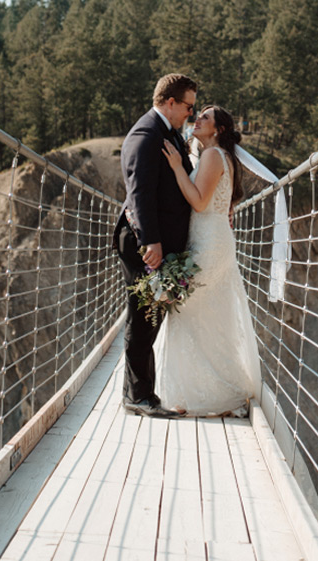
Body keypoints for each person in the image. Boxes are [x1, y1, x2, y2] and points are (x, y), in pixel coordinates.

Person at [156, 105, 262, 416]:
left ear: (218, 130)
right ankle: (211, 393)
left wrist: (177, 167)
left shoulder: (214, 156)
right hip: (211, 239)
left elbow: (201, 203)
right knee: (205, 316)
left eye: (205, 117)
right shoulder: (214, 156)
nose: (197, 119)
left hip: (209, 243)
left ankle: (213, 394)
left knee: (187, 312)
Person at [114, 73, 197, 418]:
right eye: (188, 107)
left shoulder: (169, 134)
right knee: (142, 317)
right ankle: (138, 396)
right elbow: (140, 195)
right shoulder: (146, 135)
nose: (190, 114)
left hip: (158, 243)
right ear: (171, 102)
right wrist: (152, 242)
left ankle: (138, 392)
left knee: (151, 316)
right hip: (144, 244)